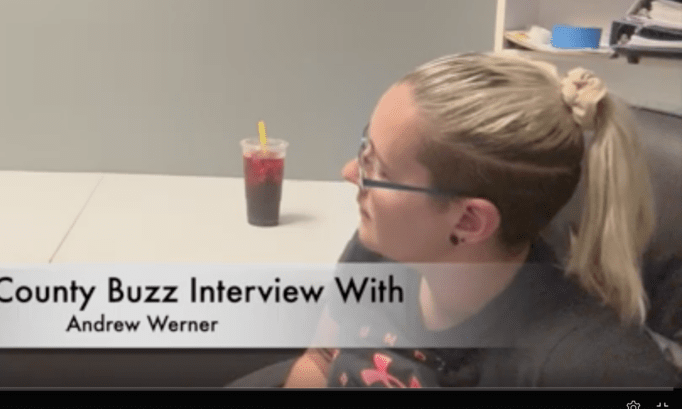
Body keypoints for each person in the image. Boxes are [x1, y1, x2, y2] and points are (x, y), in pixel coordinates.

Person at [278, 52, 681, 388]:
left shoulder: (589, 367)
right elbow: (320, 359)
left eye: (377, 169)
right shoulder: (383, 247)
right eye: (365, 149)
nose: (350, 172)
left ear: (469, 221)